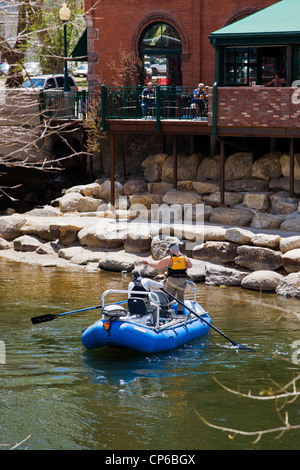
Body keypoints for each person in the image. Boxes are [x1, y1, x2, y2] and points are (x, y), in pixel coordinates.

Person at [142, 243, 193, 317]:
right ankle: (179, 313)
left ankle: (168, 313)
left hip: (172, 279)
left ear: (171, 249)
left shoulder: (169, 258)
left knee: (169, 297)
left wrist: (148, 263)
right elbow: (190, 266)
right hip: (182, 279)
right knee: (180, 297)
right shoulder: (184, 257)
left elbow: (158, 265)